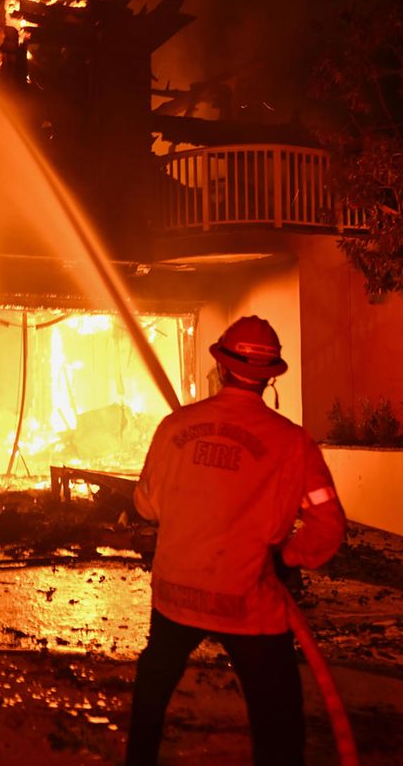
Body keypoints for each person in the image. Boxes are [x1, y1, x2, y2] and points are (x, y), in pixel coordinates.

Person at [126, 315, 347, 766]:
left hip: (176, 594)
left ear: (221, 367)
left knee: (153, 685)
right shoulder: (293, 444)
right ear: (270, 378)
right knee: (278, 719)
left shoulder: (174, 427)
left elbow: (146, 506)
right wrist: (287, 557)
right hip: (249, 601)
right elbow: (328, 526)